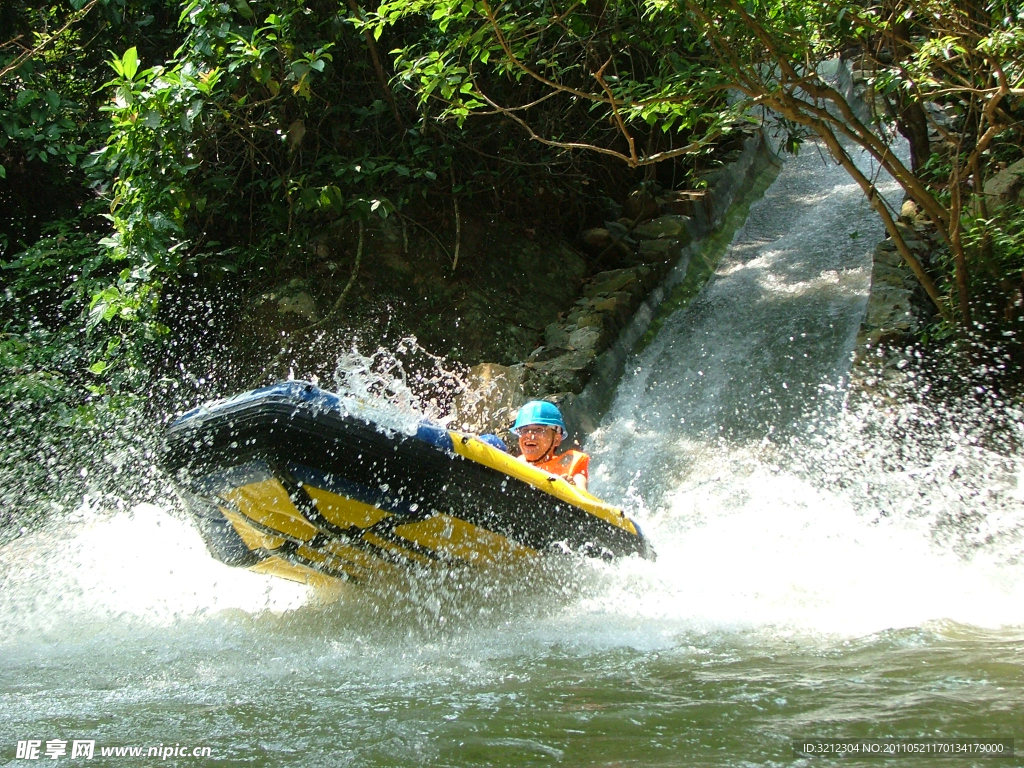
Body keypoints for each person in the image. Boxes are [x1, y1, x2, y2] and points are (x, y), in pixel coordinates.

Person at [510, 400, 589, 490]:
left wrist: (570, 489)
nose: (529, 435)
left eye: (539, 429)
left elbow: (582, 494)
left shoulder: (574, 474)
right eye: (524, 430)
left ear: (556, 440)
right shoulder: (513, 465)